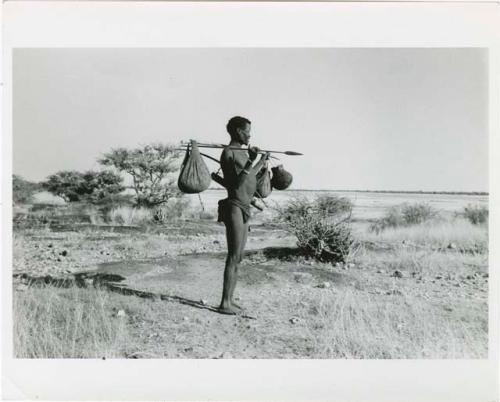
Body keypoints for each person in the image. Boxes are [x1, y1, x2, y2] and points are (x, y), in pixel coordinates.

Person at [217, 116, 269, 315]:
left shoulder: (241, 153)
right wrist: (251, 160)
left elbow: (249, 178)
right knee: (232, 256)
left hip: (245, 208)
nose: (250, 135)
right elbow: (237, 184)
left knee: (238, 257)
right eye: (247, 131)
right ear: (238, 131)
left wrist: (261, 162)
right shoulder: (229, 152)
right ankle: (224, 303)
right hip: (235, 207)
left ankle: (229, 299)